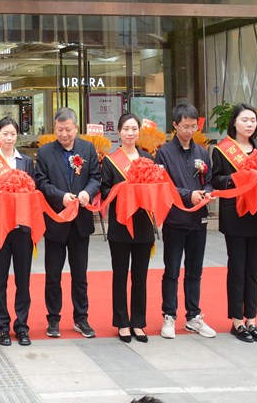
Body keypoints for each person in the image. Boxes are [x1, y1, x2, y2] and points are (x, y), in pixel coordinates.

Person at [36, 107, 101, 339]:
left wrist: (87, 193)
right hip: (56, 221)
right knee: (53, 275)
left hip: (80, 223)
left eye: (68, 129)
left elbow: (96, 177)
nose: (64, 134)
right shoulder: (45, 152)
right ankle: (53, 319)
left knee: (80, 274)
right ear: (54, 129)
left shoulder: (87, 149)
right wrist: (60, 196)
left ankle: (81, 318)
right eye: (60, 129)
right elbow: (41, 182)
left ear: (76, 128)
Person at [155, 103, 216, 339]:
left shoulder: (202, 152)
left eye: (193, 126)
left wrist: (206, 193)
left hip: (198, 218)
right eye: (185, 126)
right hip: (175, 219)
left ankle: (193, 316)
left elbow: (208, 180)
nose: (189, 131)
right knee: (172, 270)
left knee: (195, 270)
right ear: (175, 125)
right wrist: (187, 194)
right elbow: (163, 185)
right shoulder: (164, 153)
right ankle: (169, 315)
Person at [212, 103, 257, 343]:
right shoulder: (222, 150)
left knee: (254, 272)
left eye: (253, 120)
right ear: (234, 123)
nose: (249, 124)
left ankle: (251, 320)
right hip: (235, 215)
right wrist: (237, 178)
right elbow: (216, 180)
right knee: (237, 269)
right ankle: (237, 321)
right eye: (244, 120)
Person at [0, 116, 34, 347]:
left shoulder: (26, 162)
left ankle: (22, 326)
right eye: (5, 134)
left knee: (23, 279)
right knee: (0, 279)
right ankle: (2, 326)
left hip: (22, 229)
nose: (9, 138)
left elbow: (33, 191)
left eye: (13, 134)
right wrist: (5, 199)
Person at [101, 113, 155, 343]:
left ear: (139, 132)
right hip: (120, 225)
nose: (130, 133)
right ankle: (122, 322)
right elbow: (104, 191)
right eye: (126, 129)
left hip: (143, 225)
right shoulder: (111, 161)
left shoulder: (148, 158)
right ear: (119, 132)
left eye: (134, 129)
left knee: (140, 276)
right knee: (120, 275)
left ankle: (138, 322)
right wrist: (123, 189)